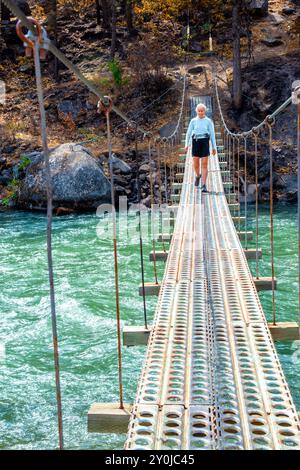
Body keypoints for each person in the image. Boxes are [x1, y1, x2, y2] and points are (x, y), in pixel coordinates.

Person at [184, 103, 217, 192]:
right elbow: (188, 133)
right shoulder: (193, 121)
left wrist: (214, 147)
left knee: (204, 164)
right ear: (196, 111)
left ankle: (203, 185)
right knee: (196, 164)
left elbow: (212, 134)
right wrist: (186, 145)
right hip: (195, 141)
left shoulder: (208, 121)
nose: (200, 112)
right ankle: (198, 176)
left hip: (205, 141)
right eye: (199, 111)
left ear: (204, 111)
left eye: (202, 111)